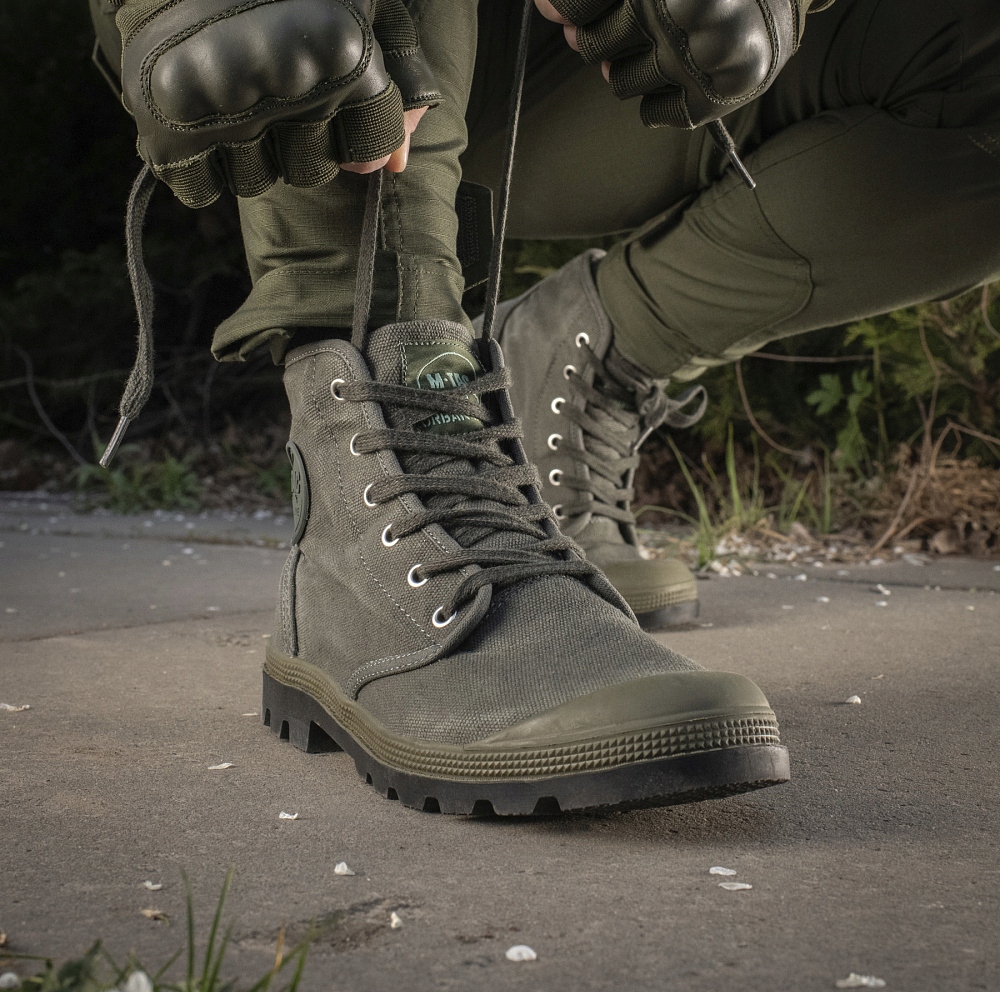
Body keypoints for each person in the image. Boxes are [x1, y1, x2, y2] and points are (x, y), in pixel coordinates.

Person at [89, 0, 999, 814]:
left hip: (577, 68)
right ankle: (379, 464)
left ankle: (584, 351)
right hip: (349, 44)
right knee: (299, 34)